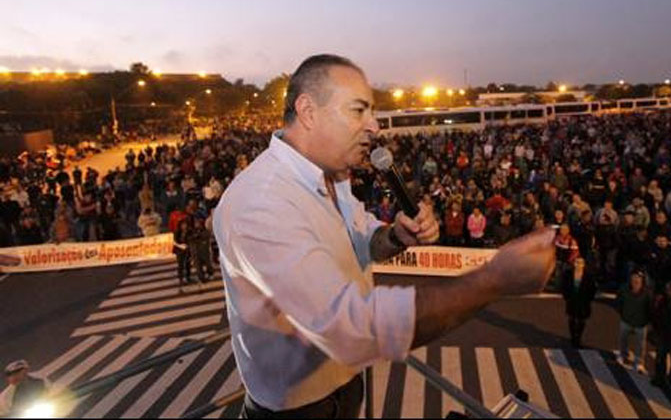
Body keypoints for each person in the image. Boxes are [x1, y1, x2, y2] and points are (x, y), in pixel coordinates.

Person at [213, 55, 555, 419]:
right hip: (295, 409)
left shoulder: (334, 176)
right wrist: (494, 279)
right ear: (308, 111)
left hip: (346, 384)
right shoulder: (260, 203)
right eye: (358, 111)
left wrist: (394, 236)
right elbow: (349, 328)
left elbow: (360, 240)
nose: (374, 126)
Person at [616, 270, 651, 374]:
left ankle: (639, 363)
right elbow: (619, 302)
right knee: (623, 339)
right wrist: (622, 314)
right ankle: (623, 355)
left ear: (642, 280)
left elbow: (650, 308)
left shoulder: (647, 292)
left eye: (638, 278)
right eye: (634, 277)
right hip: (626, 319)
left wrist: (647, 320)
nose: (636, 280)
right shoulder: (624, 289)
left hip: (641, 322)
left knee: (640, 344)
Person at [561, 257, 597, 348]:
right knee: (572, 318)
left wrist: (589, 299)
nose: (578, 264)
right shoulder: (568, 274)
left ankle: (578, 337)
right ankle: (573, 337)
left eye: (581, 263)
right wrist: (566, 296)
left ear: (584, 264)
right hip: (572, 300)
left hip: (583, 301)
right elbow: (564, 286)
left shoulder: (588, 276)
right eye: (577, 262)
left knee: (581, 320)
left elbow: (592, 289)